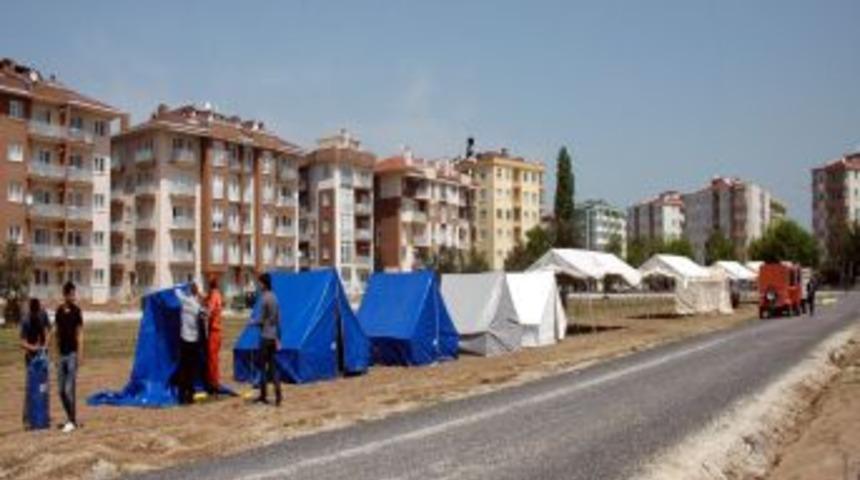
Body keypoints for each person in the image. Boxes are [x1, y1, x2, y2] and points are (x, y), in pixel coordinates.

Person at [55, 282, 83, 433]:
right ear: (65, 295)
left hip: (72, 354)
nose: (73, 296)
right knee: (60, 390)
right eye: (71, 294)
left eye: (74, 293)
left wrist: (80, 353)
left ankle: (72, 420)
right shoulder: (59, 311)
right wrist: (55, 355)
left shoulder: (77, 311)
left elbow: (80, 333)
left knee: (68, 389)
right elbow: (57, 333)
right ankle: (70, 417)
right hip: (61, 355)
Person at [21, 298, 51, 429]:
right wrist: (34, 348)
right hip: (31, 358)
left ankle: (44, 415)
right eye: (35, 312)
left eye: (38, 311)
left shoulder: (43, 314)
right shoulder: (26, 320)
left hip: (43, 356)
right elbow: (22, 342)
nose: (36, 314)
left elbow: (49, 330)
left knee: (44, 387)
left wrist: (45, 345)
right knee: (30, 388)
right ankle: (27, 419)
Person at [256, 273, 281, 406]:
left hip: (265, 337)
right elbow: (278, 320)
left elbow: (261, 320)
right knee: (273, 367)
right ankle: (278, 396)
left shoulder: (264, 298)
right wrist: (278, 338)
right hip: (273, 337)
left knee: (262, 367)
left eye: (259, 283)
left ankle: (263, 396)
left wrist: (253, 322)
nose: (258, 285)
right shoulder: (275, 298)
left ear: (264, 284)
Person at [175, 283, 203, 405]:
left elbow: (176, 291)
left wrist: (182, 287)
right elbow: (205, 313)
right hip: (193, 340)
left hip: (184, 339)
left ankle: (181, 397)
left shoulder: (183, 300)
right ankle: (190, 396)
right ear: (196, 292)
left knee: (183, 368)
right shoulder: (196, 305)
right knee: (191, 369)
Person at [205, 277, 224, 393]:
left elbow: (210, 310)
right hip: (217, 331)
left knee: (212, 359)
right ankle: (214, 382)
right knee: (214, 358)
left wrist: (203, 314)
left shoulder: (214, 295)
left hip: (214, 331)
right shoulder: (216, 294)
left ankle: (214, 384)